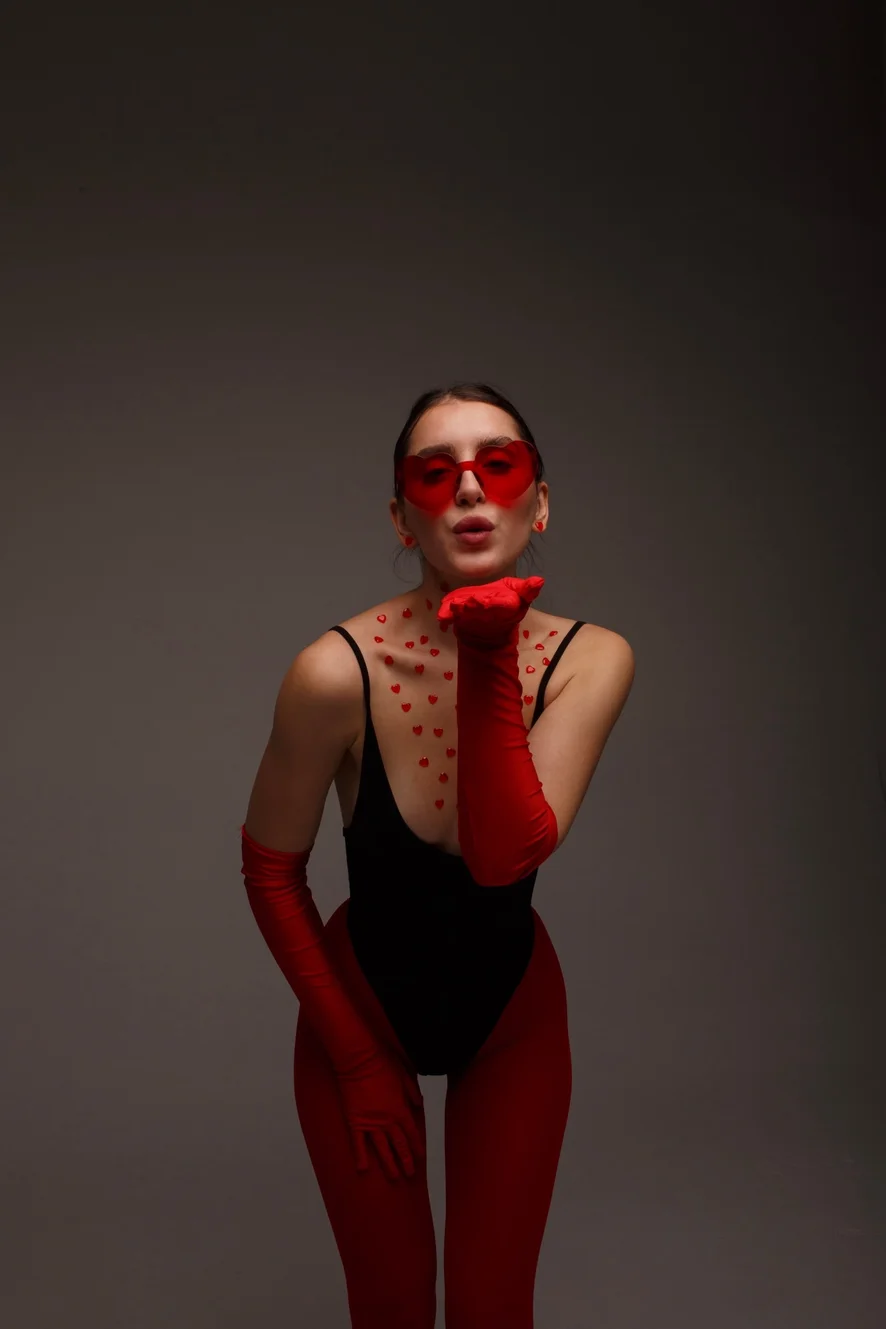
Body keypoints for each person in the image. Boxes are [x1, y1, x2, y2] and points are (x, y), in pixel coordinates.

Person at [240, 381, 635, 1328]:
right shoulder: (335, 670)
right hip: (359, 1009)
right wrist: (355, 1060)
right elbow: (270, 870)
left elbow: (503, 858)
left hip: (512, 1012)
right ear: (401, 515)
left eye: (498, 464)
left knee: (495, 1311)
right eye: (435, 471)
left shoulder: (592, 658)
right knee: (391, 1309)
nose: (467, 487)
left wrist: (491, 653)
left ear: (539, 502)